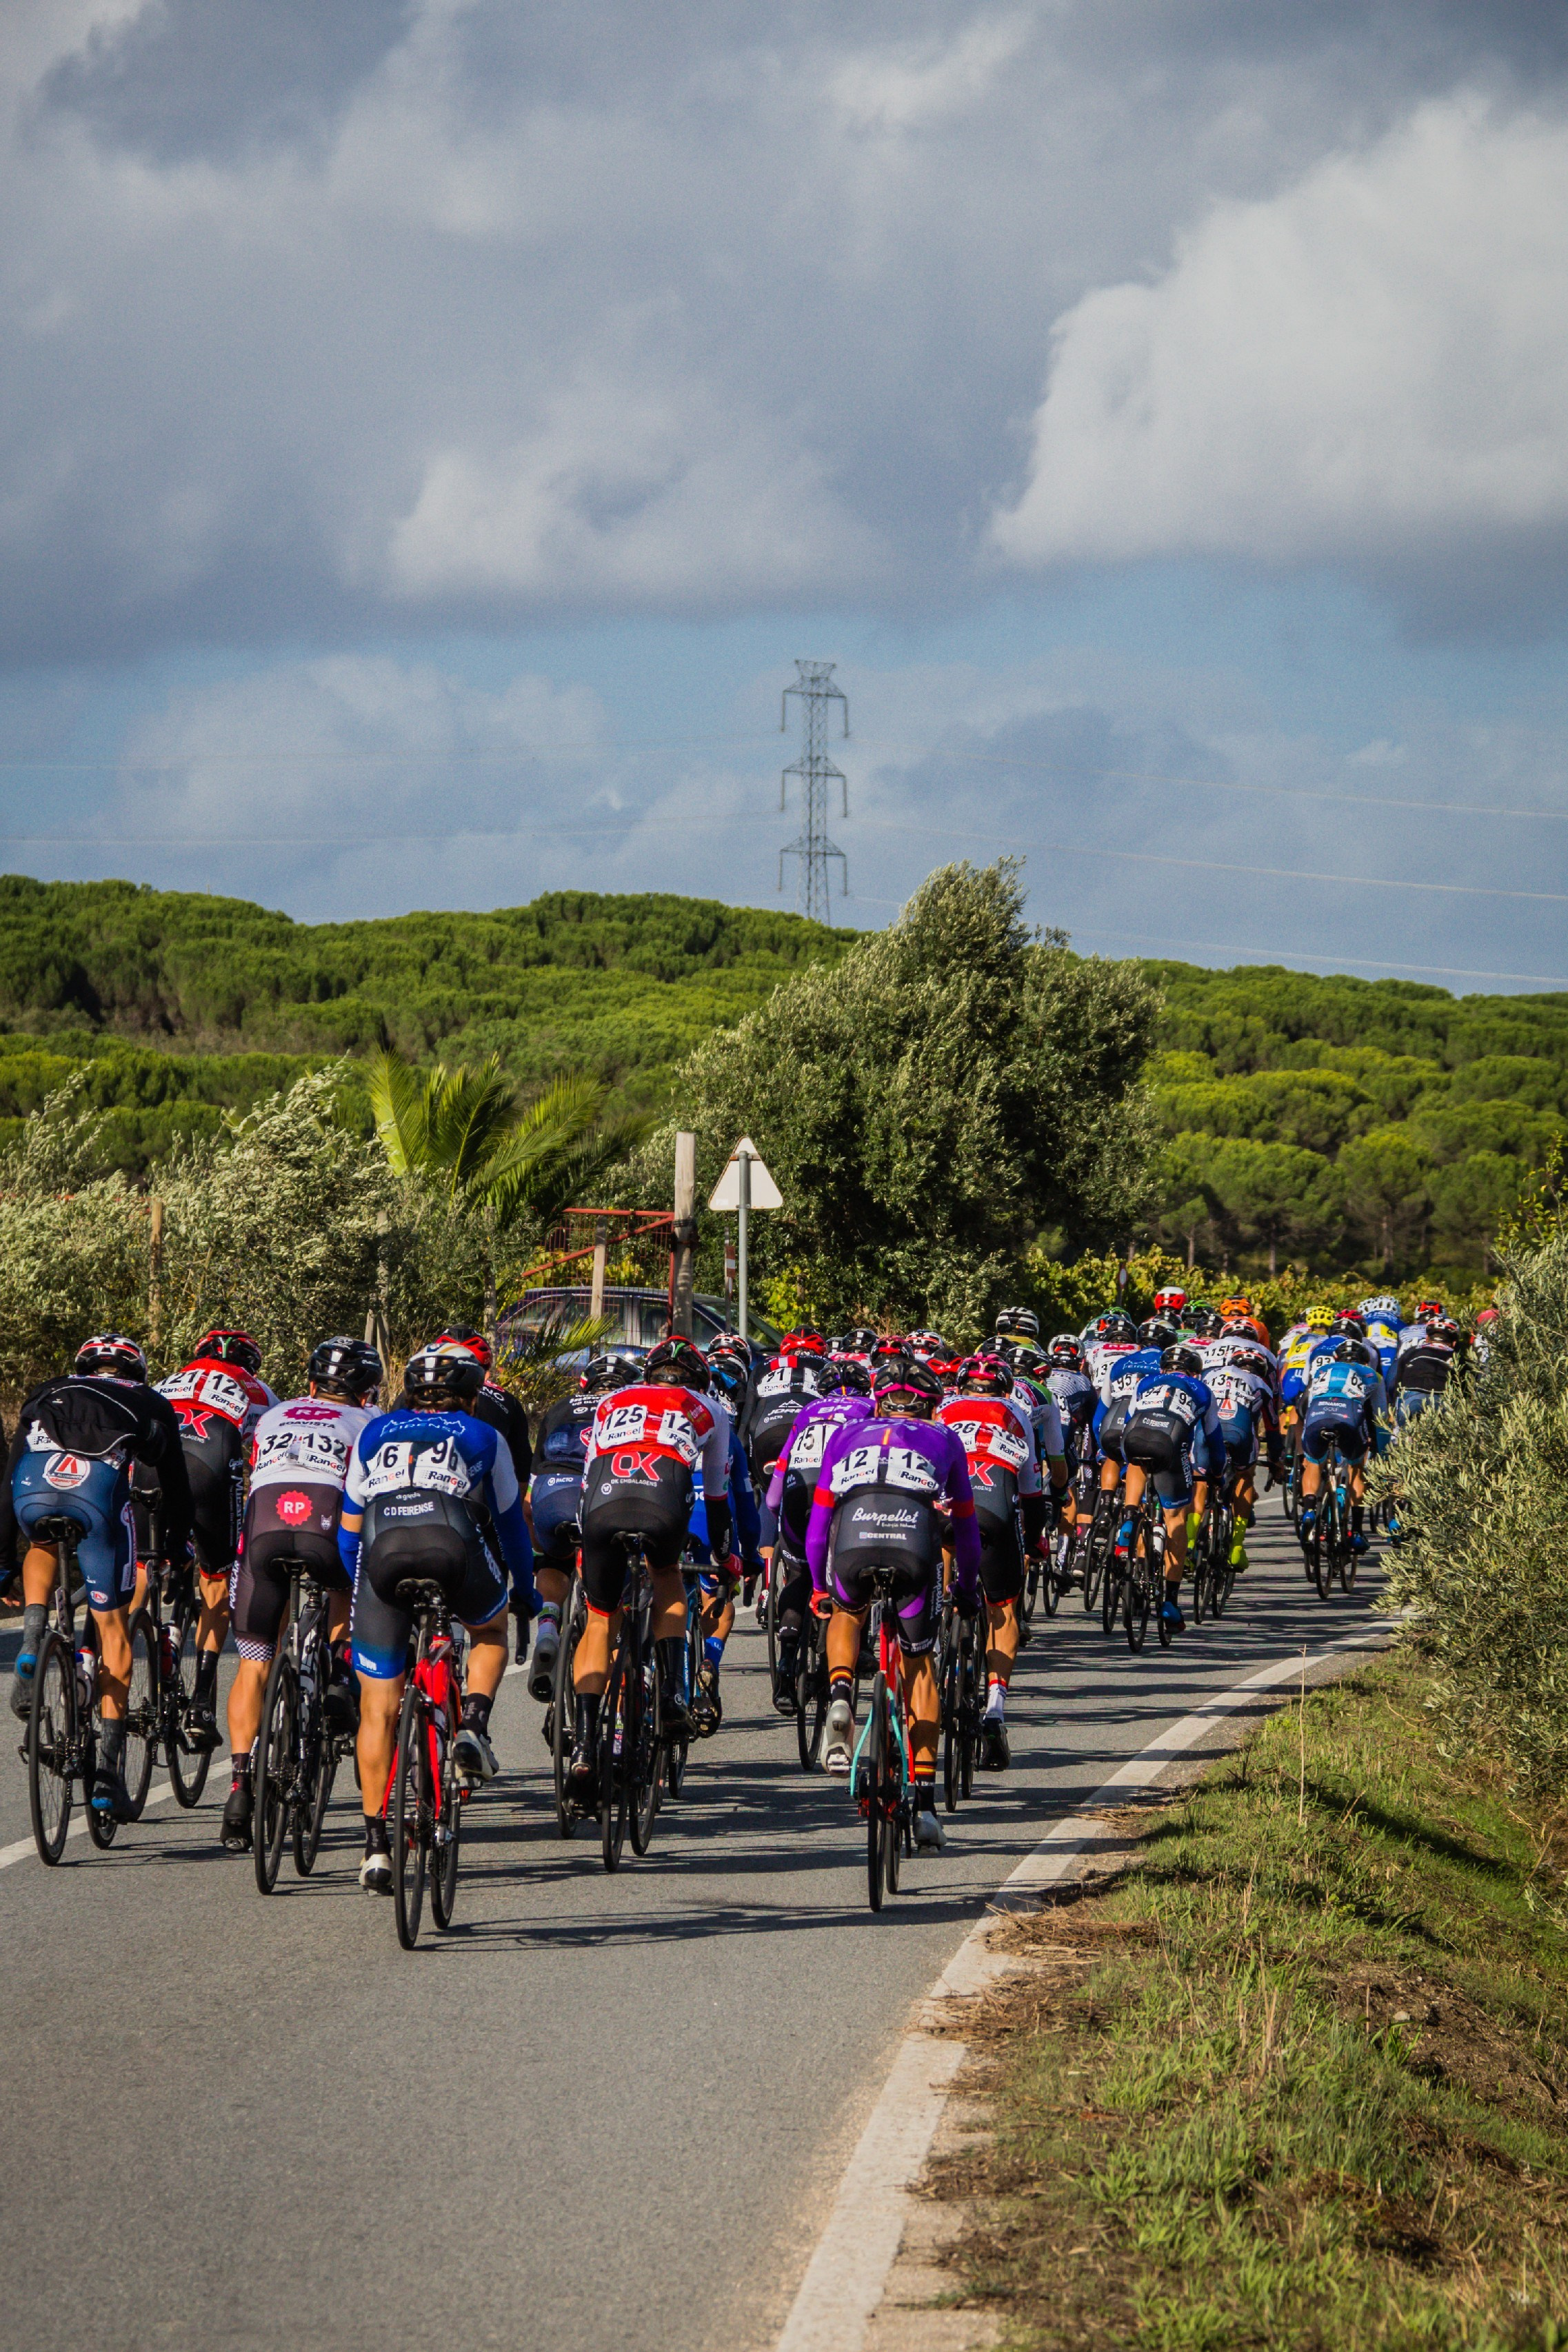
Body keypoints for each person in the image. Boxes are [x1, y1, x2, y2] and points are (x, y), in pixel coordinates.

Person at [339, 1341, 539, 1894]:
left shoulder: (374, 1431)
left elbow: (347, 1529)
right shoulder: (483, 1435)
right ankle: (472, 1723)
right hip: (451, 1537)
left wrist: (350, 1590)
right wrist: (524, 1592)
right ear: (472, 1397)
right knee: (489, 1630)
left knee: (377, 1708)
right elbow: (512, 1527)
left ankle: (376, 1844)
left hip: (381, 1547)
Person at [1, 1335, 193, 1818]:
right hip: (97, 1491)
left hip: (33, 1487)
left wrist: (2, 1562)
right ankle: (107, 1775)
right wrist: (174, 1545)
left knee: (43, 1542)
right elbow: (177, 1486)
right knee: (112, 1630)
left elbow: (6, 1486)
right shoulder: (149, 1400)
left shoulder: (48, 1390)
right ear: (137, 1372)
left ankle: (31, 1638)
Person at [805, 1356, 980, 1851]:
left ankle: (841, 1694)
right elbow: (966, 1529)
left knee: (846, 1612)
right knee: (920, 1664)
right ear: (931, 1405)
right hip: (911, 1542)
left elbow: (818, 1529)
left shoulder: (845, 1434)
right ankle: (924, 1804)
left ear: (879, 1399)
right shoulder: (945, 1438)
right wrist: (966, 1588)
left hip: (854, 1539)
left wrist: (820, 1585)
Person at [219, 1335, 382, 1853]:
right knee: (343, 1582)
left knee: (253, 1663)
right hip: (327, 1532)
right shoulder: (370, 1423)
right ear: (367, 1391)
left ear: (311, 1384)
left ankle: (241, 1785)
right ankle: (335, 1670)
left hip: (264, 1533)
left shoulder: (273, 1415)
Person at [566, 1336, 733, 1802]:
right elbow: (717, 1498)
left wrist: (585, 1548)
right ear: (700, 1381)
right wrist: (726, 1555)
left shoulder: (613, 1400)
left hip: (604, 1497)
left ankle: (582, 1743)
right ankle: (673, 1696)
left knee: (600, 1617)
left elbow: (586, 1478)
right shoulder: (708, 1407)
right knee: (668, 1579)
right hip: (663, 1494)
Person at [156, 1327, 276, 1751]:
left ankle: (143, 1633)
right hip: (209, 1466)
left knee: (139, 1566)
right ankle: (202, 1700)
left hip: (153, 1468)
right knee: (218, 1576)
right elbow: (267, 1458)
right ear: (251, 1363)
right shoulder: (257, 1391)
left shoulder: (167, 1381)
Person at [936, 1354, 1053, 1769]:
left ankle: (933, 1642)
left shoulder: (942, 1409)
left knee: (940, 1560)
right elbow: (1033, 1496)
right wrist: (1036, 1540)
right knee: (1003, 1609)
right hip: (995, 1514)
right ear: (1005, 1389)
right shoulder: (1016, 1413)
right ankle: (996, 1709)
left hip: (946, 1512)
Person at [525, 1351, 638, 1704]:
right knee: (612, 1583)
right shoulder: (633, 1412)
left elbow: (532, 1484)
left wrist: (539, 1551)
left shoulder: (561, 1407)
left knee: (553, 1557)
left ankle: (548, 1622)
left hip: (552, 1489)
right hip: (604, 1492)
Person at [762, 1358, 874, 1710]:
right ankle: (860, 1646)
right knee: (856, 1570)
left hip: (798, 1491)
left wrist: (779, 1519)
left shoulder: (808, 1411)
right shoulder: (870, 1409)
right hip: (841, 1493)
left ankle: (786, 1665)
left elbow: (773, 1494)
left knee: (799, 1574)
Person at [430, 1327, 534, 1660]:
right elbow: (516, 1492)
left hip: (396, 1514)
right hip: (477, 1515)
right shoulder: (506, 1403)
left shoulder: (406, 1399)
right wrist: (525, 1585)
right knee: (488, 1628)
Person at [1117, 1343, 1223, 1635]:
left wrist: (1126, 1465)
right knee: (1175, 1518)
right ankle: (1171, 1601)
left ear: (1163, 1369)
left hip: (1134, 1437)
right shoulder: (1203, 1391)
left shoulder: (1145, 1382)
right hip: (1171, 1445)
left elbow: (1128, 1422)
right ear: (1196, 1372)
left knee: (1137, 1458)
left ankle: (1129, 1519)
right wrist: (1216, 1473)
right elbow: (1212, 1440)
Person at [1298, 1324, 1389, 1553]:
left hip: (1317, 1416)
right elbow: (1381, 1417)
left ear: (1335, 1357)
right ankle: (1356, 1532)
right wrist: (1382, 1451)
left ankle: (1309, 1510)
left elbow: (1304, 1403)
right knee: (1357, 1467)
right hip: (1348, 1417)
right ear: (1366, 1360)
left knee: (1312, 1462)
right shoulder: (1372, 1375)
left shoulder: (1322, 1371)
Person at [1391, 1314, 1462, 1427]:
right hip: (1442, 1397)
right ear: (1454, 1343)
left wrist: (1393, 1408)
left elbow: (1394, 1381)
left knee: (1405, 1436)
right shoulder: (1459, 1358)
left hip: (1411, 1395)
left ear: (1427, 1338)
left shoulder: (1412, 1351)